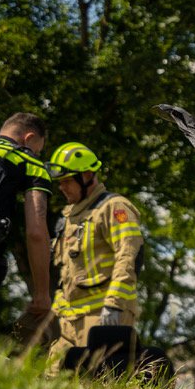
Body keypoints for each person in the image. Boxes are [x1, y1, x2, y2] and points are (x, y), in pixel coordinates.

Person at [45, 141, 145, 365]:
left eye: (67, 180)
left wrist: (114, 304)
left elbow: (127, 256)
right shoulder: (70, 216)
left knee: (95, 381)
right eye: (60, 182)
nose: (62, 187)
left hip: (102, 316)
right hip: (69, 320)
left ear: (88, 175)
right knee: (54, 381)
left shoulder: (114, 208)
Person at [0, 113, 53, 329]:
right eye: (37, 149)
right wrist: (42, 294)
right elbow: (36, 232)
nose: (36, 154)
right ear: (28, 138)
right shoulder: (29, 161)